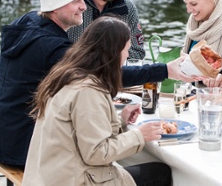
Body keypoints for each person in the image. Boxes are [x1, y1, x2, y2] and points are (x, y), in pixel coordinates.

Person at [0, 0, 191, 169]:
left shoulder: (29, 22)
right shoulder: (50, 46)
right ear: (56, 6)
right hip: (22, 147)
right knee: (113, 160)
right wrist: (164, 70)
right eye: (76, 1)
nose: (84, 6)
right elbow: (103, 74)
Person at [22, 16, 171, 186]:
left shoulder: (67, 75)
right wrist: (139, 135)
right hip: (74, 180)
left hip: (50, 176)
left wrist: (120, 120)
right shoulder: (88, 90)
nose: (127, 56)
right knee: (160, 173)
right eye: (126, 50)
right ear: (113, 53)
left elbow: (82, 132)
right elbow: (96, 153)